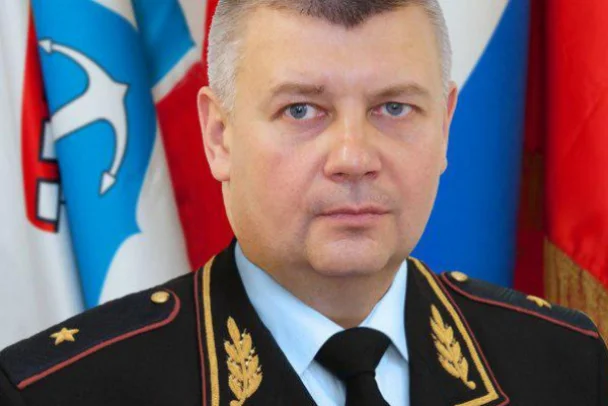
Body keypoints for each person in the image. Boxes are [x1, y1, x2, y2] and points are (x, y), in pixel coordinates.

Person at [1, 0, 606, 405]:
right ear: (219, 136)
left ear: (445, 127)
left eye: (394, 107)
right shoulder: (61, 392)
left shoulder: (568, 367)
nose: (354, 156)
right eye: (301, 110)